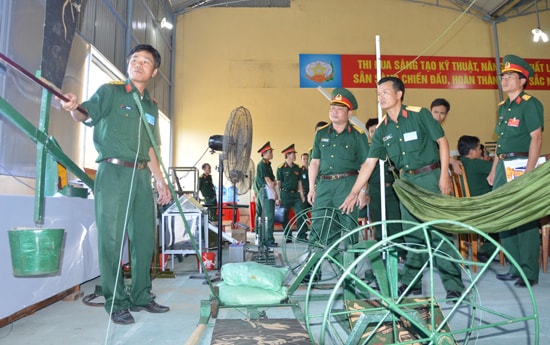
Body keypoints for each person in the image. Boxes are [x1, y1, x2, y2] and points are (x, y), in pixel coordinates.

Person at [60, 44, 171, 325]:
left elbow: (151, 148)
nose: (138, 64)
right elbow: (85, 113)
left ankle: (141, 295)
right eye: (134, 59)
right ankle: (116, 300)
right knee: (111, 239)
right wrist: (74, 107)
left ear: (154, 71)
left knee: (145, 239)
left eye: (145, 61)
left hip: (142, 176)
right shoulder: (110, 91)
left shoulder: (151, 107)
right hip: (113, 172)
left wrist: (161, 182)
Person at [340, 76, 464, 300]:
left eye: (385, 92)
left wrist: (444, 175)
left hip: (430, 178)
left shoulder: (419, 115)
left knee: (439, 232)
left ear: (399, 94)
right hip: (406, 185)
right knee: (413, 235)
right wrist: (354, 191)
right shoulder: (382, 130)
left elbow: (443, 142)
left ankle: (454, 285)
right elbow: (369, 163)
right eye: (378, 94)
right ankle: (412, 283)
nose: (381, 97)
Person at [487, 54, 543, 287]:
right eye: (504, 77)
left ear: (523, 81)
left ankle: (529, 272)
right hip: (503, 166)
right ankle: (514, 266)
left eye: (511, 77)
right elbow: (501, 143)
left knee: (525, 219)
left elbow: (536, 138)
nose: (505, 80)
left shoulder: (530, 104)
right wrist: (493, 170)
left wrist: (529, 172)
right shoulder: (503, 107)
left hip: (522, 165)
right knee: (504, 215)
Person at [308, 88, 369, 248]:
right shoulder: (321, 134)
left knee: (348, 227)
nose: (334, 112)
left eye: (340, 109)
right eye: (332, 108)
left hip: (347, 185)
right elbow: (314, 162)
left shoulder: (358, 135)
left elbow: (365, 166)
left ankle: (348, 271)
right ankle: (313, 269)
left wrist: (362, 192)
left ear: (349, 114)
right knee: (318, 225)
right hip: (324, 186)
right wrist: (311, 188)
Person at [363, 118, 403, 249]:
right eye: (371, 131)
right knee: (379, 221)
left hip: (392, 189)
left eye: (377, 130)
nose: (374, 133)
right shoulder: (368, 151)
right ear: (369, 133)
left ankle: (399, 251)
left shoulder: (392, 147)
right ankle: (382, 251)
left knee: (395, 220)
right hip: (375, 190)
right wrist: (364, 191)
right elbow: (364, 172)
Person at [457, 135, 497, 261]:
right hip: (482, 208)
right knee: (506, 220)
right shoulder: (477, 164)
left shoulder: (459, 163)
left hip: (467, 207)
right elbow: (498, 170)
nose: (481, 151)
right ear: (472, 151)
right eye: (479, 148)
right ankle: (485, 250)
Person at [276, 144, 306, 242]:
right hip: (285, 194)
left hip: (296, 195)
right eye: (293, 153)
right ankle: (288, 236)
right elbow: (278, 183)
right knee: (284, 216)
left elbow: (299, 182)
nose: (295, 155)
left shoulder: (297, 168)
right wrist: (277, 197)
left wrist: (302, 195)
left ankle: (301, 235)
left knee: (301, 214)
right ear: (287, 155)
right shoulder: (281, 168)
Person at [253, 141, 279, 248]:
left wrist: (273, 184)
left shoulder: (267, 164)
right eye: (270, 152)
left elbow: (273, 180)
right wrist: (274, 192)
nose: (271, 153)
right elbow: (268, 180)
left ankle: (260, 238)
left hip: (262, 191)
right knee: (269, 216)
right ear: (264, 153)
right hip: (266, 191)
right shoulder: (263, 164)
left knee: (260, 216)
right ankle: (268, 240)